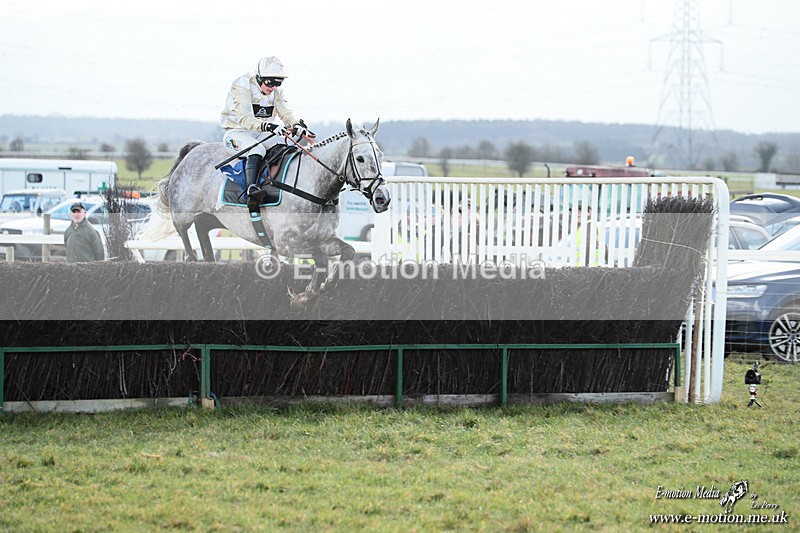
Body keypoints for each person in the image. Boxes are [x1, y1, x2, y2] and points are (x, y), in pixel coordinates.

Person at [219, 56, 313, 202]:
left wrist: (296, 125)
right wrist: (270, 126)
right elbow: (245, 119)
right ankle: (251, 189)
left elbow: (285, 113)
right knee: (258, 150)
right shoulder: (242, 85)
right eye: (270, 82)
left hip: (261, 133)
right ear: (259, 77)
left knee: (288, 143)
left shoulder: (275, 91)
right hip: (237, 132)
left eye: (278, 83)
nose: (273, 87)